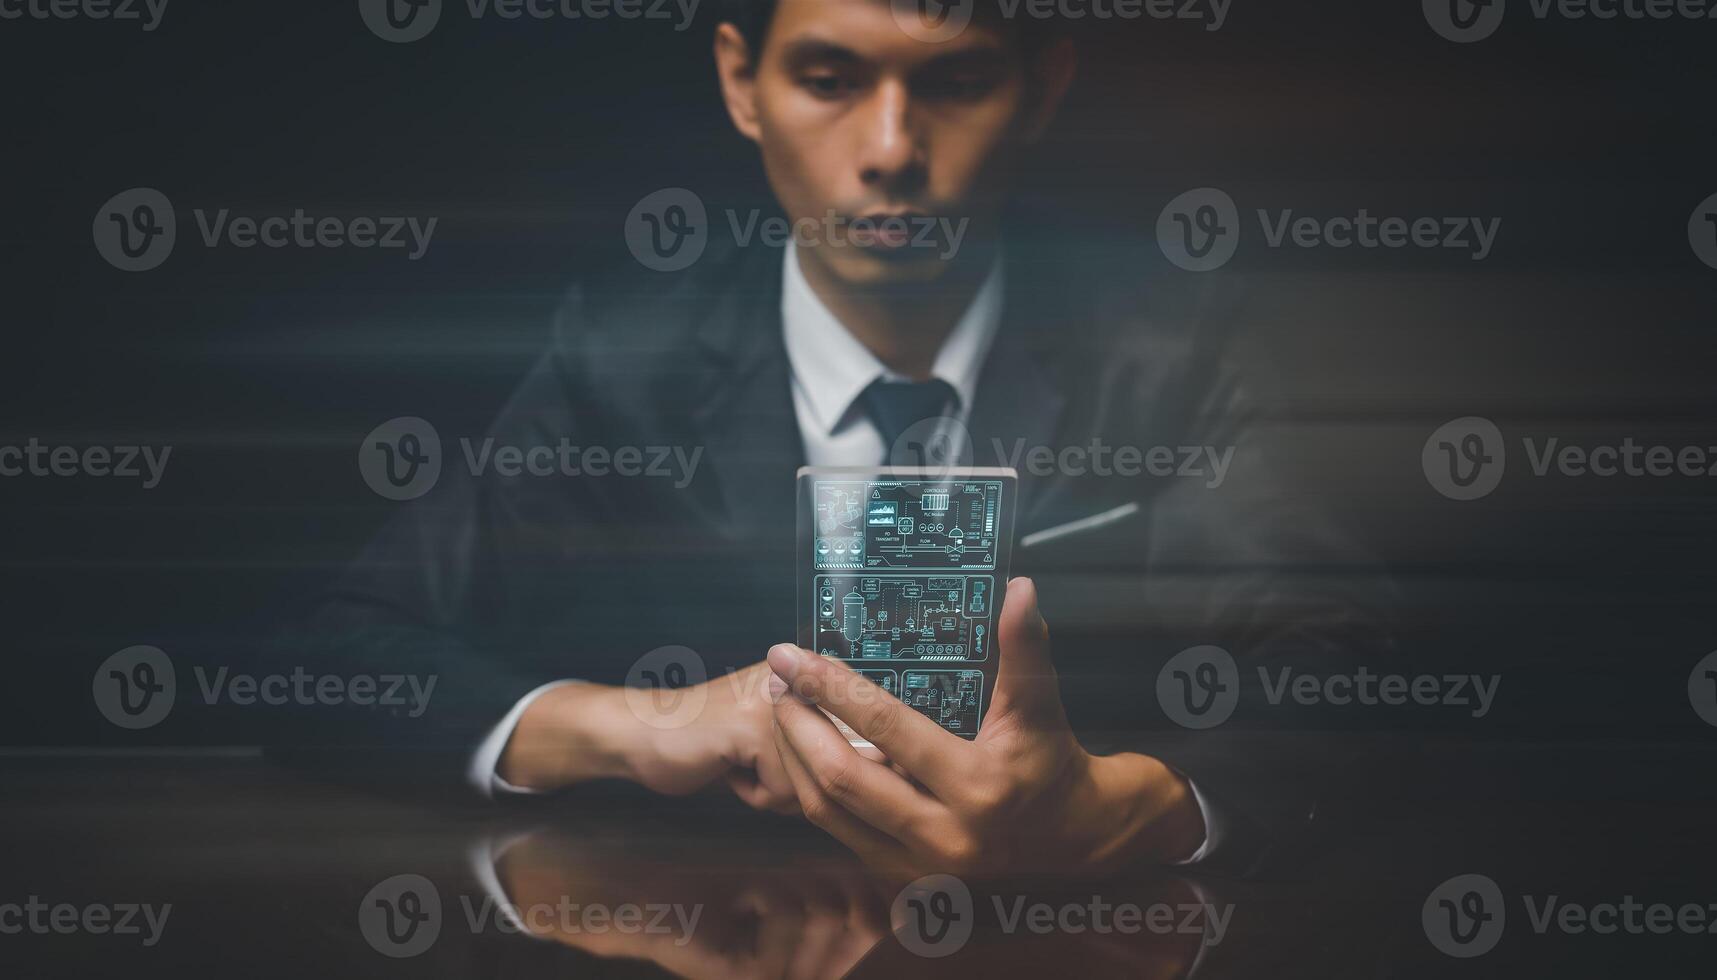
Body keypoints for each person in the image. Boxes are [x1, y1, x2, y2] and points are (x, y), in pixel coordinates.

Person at [300, 0, 1390, 879]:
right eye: (828, 78)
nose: (889, 150)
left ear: (1044, 86)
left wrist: (1142, 810)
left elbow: (1343, 669)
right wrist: (647, 724)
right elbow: (333, 657)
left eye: (956, 80)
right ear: (741, 84)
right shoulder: (622, 359)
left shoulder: (1175, 349)